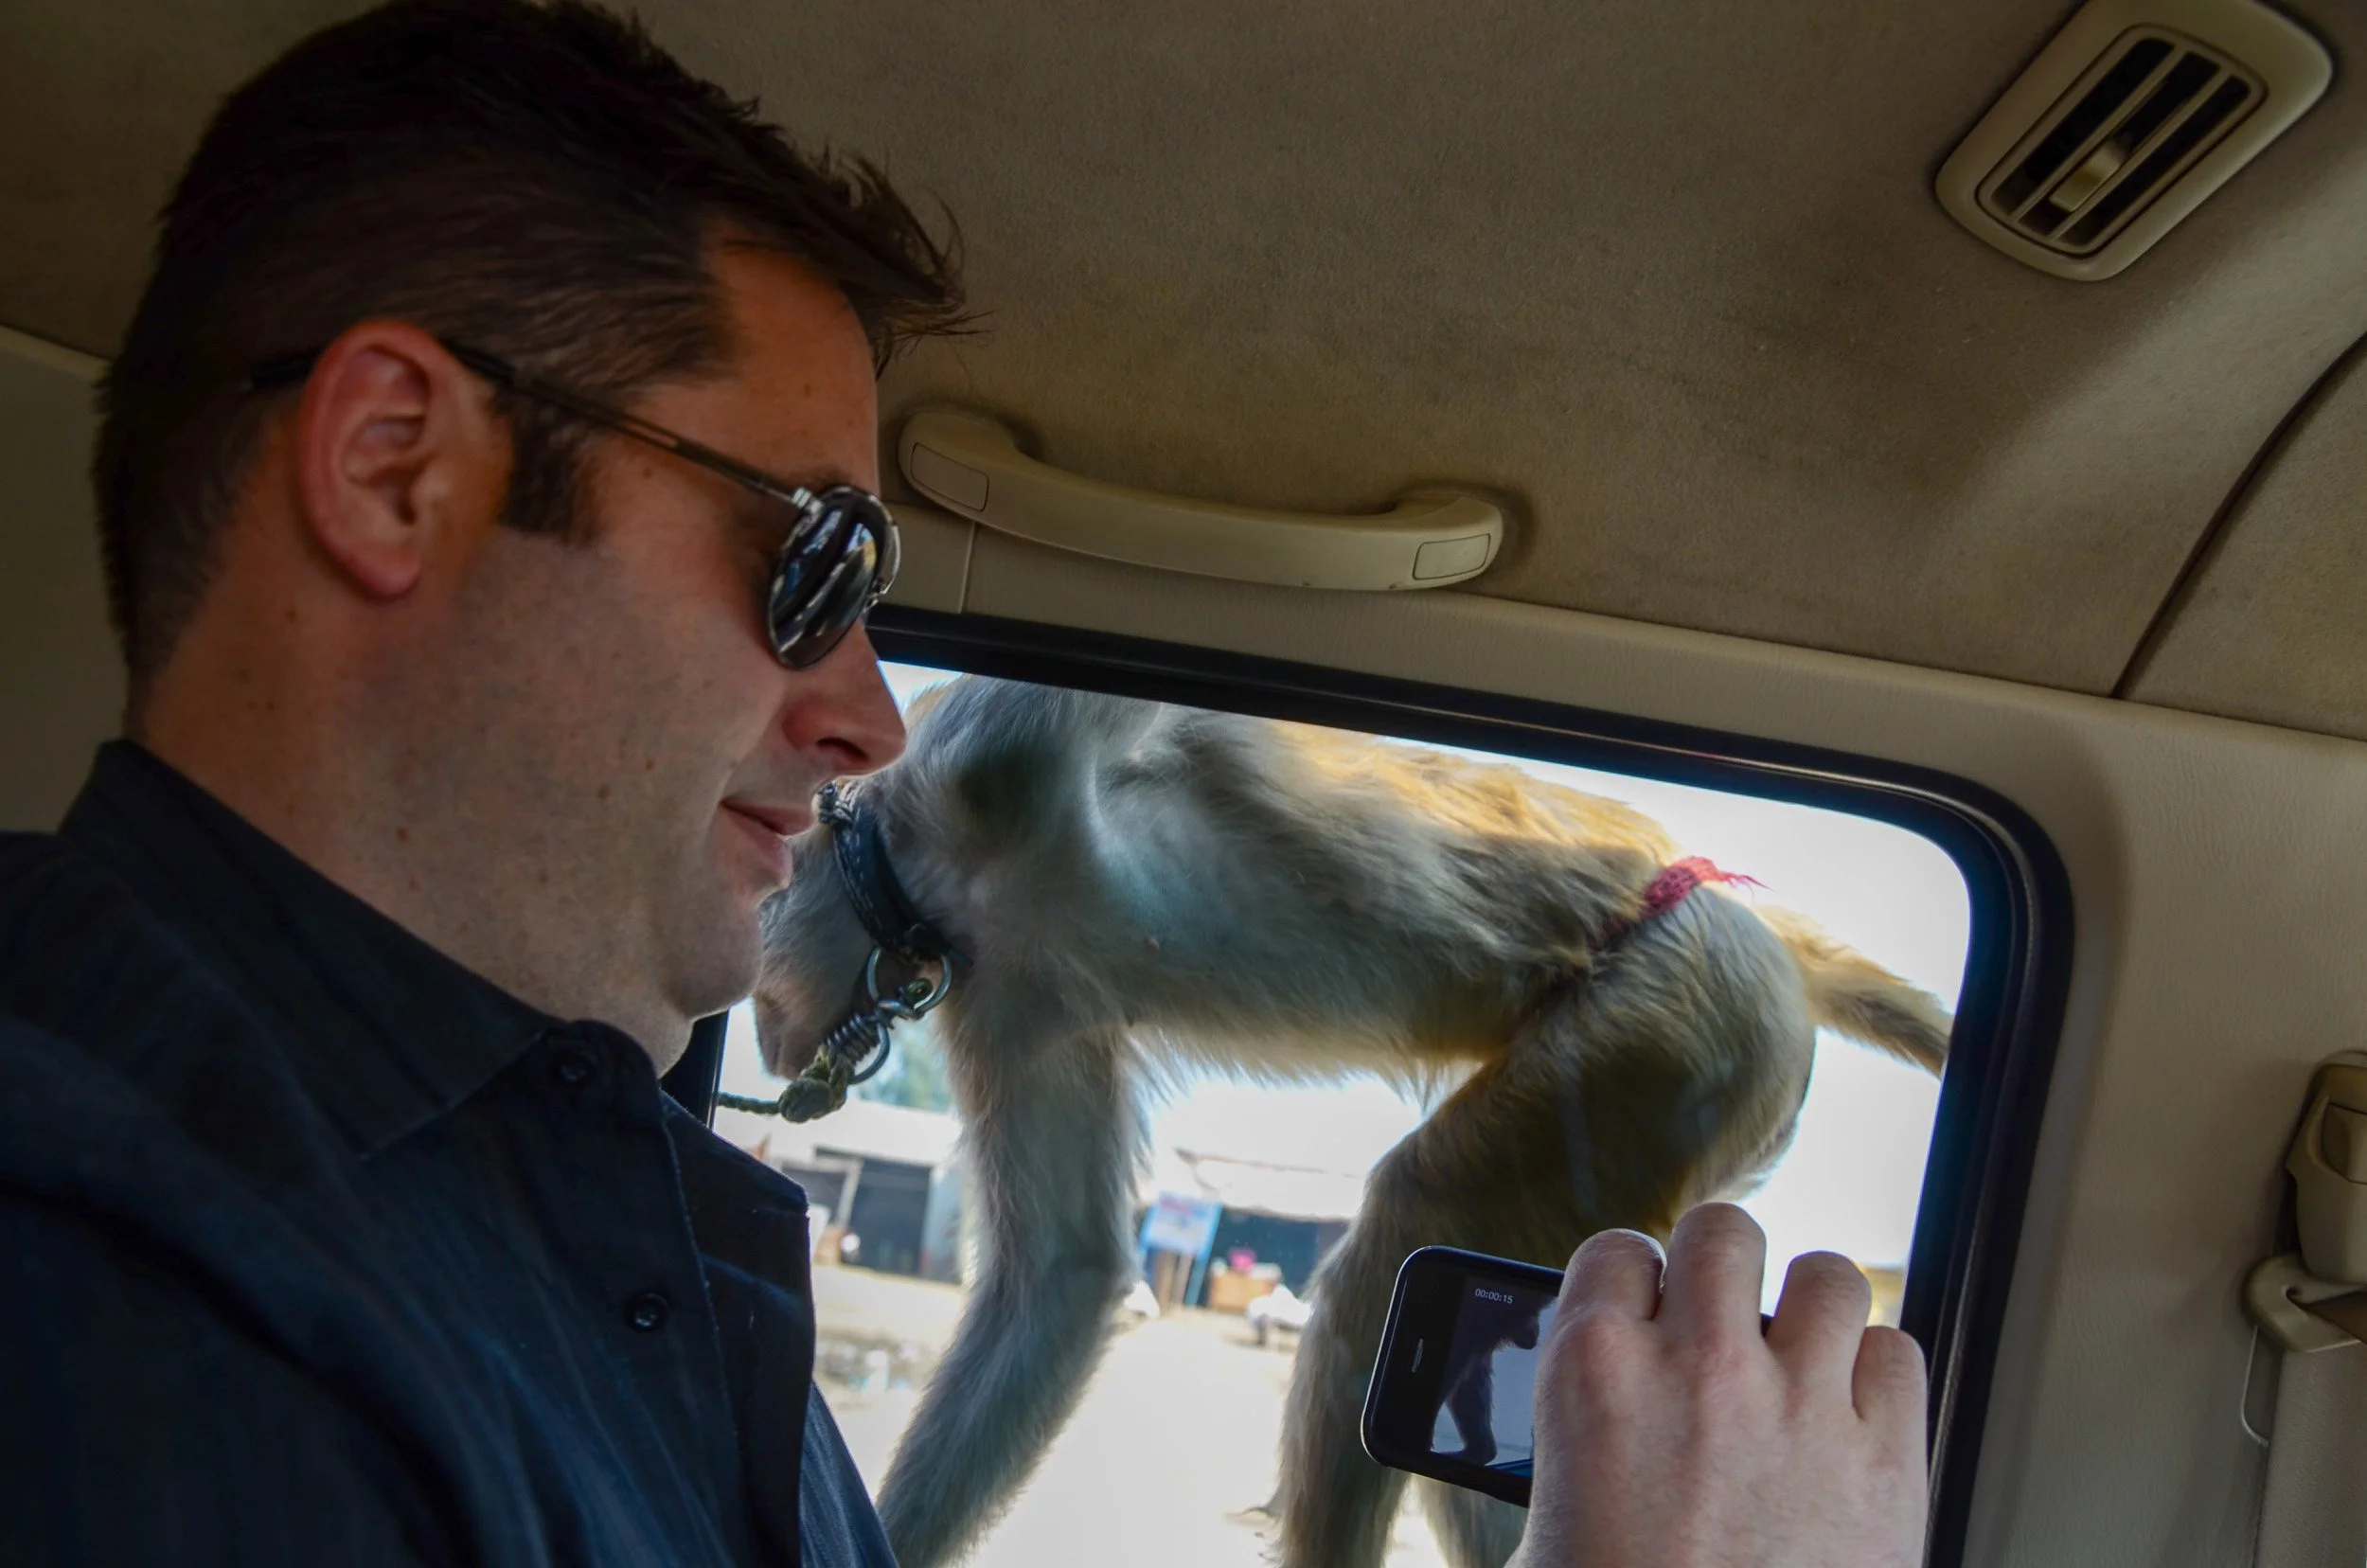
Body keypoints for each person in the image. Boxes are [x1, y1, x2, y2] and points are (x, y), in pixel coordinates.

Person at [0, 1, 1926, 1563]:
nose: (868, 720)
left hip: (1666, 951)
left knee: (1418, 1300)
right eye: (809, 563)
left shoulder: (574, 1175)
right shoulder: (124, 1279)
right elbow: (1053, 1289)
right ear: (399, 471)